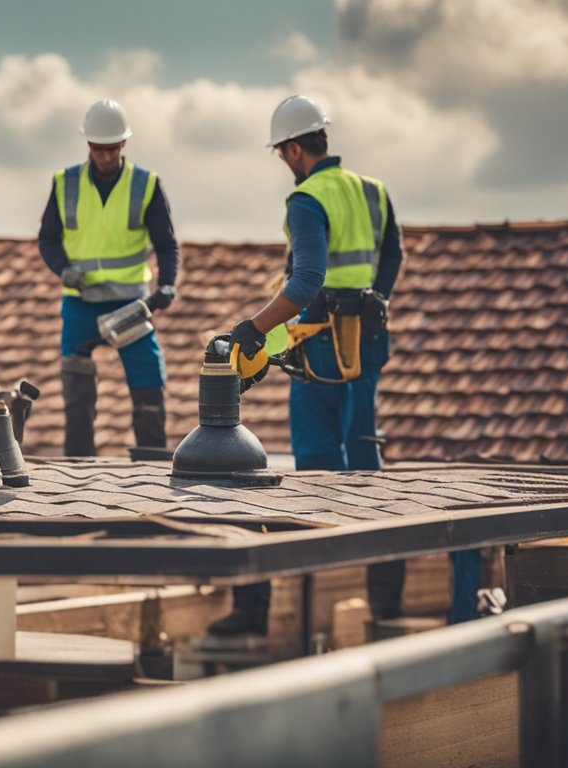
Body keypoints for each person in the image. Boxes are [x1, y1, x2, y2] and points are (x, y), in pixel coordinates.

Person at [208, 94, 407, 639]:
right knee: (367, 461)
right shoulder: (372, 191)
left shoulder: (306, 198)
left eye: (281, 154)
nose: (284, 163)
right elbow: (393, 255)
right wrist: (378, 300)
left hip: (321, 347)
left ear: (295, 147)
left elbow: (306, 282)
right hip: (365, 338)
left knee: (314, 471)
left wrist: (251, 329)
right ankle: (386, 607)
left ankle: (277, 603)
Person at [38, 99, 180, 457]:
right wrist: (63, 270)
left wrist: (167, 283)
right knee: (76, 393)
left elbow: (167, 244)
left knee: (148, 381)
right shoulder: (64, 183)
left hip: (131, 303)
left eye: (112, 149)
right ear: (88, 145)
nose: (105, 156)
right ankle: (78, 465)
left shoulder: (145, 185)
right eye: (99, 149)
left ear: (124, 144)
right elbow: (48, 240)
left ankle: (151, 464)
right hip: (80, 303)